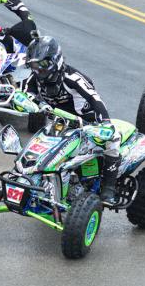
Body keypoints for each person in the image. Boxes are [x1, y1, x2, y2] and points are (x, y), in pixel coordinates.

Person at [25, 35, 120, 202]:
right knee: (43, 148)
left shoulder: (73, 78)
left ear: (56, 60)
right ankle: (37, 181)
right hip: (60, 123)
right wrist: (31, 103)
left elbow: (95, 99)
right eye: (34, 65)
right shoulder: (35, 78)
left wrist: (106, 124)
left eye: (43, 64)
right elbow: (26, 95)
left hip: (88, 124)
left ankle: (109, 189)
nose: (38, 70)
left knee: (113, 140)